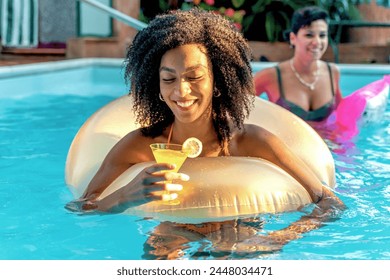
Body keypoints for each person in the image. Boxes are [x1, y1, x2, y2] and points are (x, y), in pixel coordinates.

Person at [66, 8, 344, 258]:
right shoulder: (140, 145)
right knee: (156, 253)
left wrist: (276, 238)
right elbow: (80, 207)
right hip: (174, 225)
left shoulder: (251, 141)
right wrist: (124, 196)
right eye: (168, 79)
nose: (181, 91)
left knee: (235, 253)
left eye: (194, 77)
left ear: (218, 80)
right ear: (157, 86)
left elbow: (330, 203)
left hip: (241, 225)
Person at [254, 6, 343, 124]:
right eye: (309, 35)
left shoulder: (333, 72)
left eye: (322, 35)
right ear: (293, 38)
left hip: (326, 142)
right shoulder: (272, 76)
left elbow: (342, 114)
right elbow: (235, 105)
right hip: (286, 141)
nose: (317, 42)